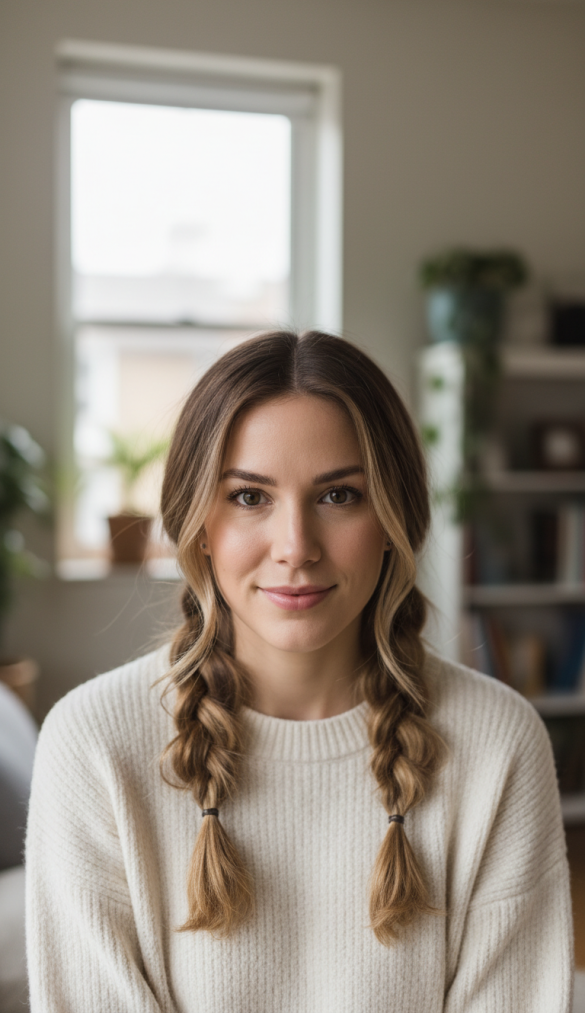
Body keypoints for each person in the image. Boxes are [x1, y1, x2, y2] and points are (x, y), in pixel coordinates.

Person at [26, 330, 573, 1012]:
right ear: (199, 523)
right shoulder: (92, 742)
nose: (295, 548)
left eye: (338, 496)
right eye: (249, 497)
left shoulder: (496, 741)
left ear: (395, 516)